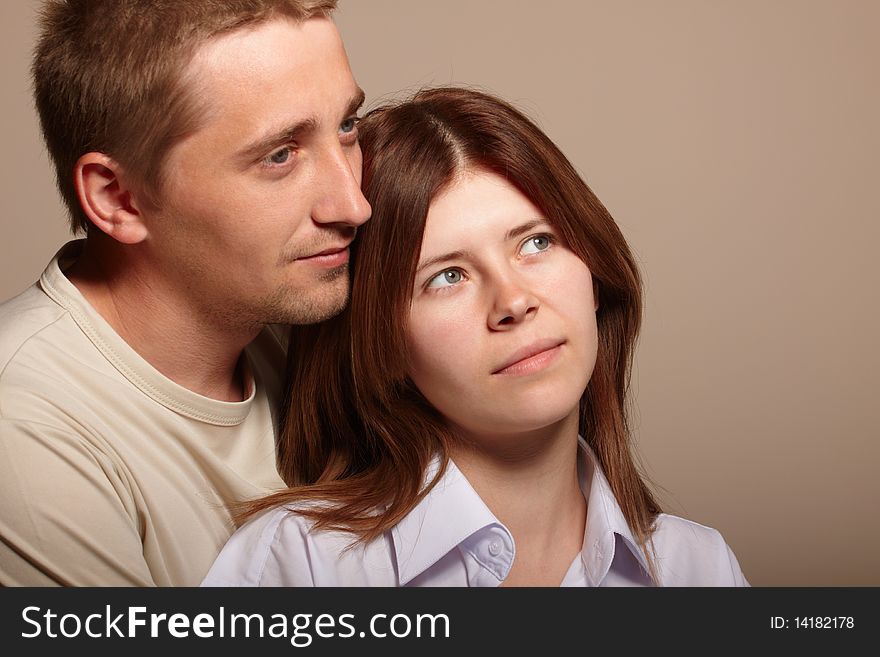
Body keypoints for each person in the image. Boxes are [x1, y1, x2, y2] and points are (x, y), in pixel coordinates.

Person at [203, 87, 749, 587]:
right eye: (448, 276)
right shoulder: (303, 565)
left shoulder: (698, 568)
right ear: (383, 342)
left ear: (595, 277)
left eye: (536, 243)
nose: (513, 302)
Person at [0, 0, 370, 586]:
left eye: (347, 127)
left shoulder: (309, 314)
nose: (354, 204)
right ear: (118, 198)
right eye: (280, 155)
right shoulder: (23, 431)